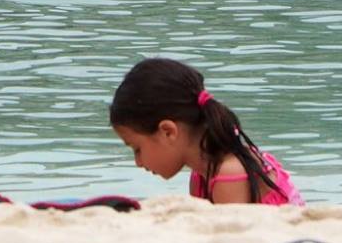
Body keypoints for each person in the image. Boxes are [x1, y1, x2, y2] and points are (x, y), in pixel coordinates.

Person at [108, 58, 302, 205]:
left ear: (168, 132)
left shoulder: (230, 174)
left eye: (137, 148)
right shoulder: (201, 173)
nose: (138, 162)